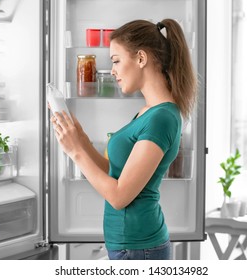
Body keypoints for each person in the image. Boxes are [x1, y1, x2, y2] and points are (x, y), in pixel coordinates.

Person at [50, 19, 197, 260]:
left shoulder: (162, 117)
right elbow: (115, 173)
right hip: (129, 246)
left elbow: (119, 196)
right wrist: (81, 140)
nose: (113, 71)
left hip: (140, 248)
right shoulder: (147, 112)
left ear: (141, 58)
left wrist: (76, 152)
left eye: (116, 61)